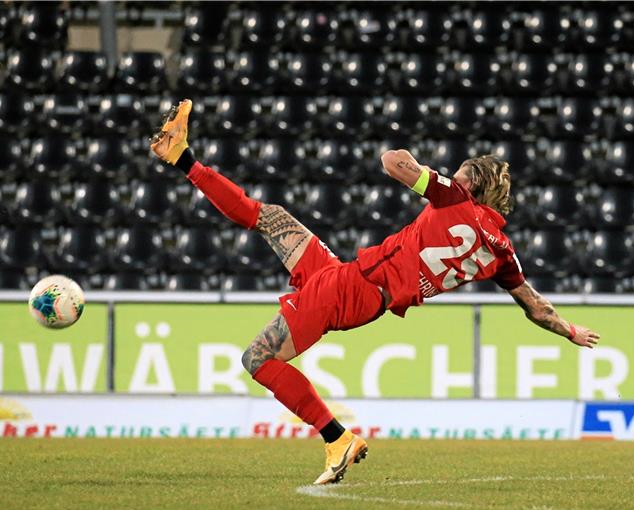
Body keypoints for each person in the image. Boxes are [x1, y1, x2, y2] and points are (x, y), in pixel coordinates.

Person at [149, 99, 601, 485]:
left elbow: (392, 161)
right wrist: (571, 331)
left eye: (461, 172)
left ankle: (337, 439)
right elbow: (535, 307)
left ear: (472, 185)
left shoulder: (454, 197)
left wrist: (429, 175)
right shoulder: (502, 253)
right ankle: (183, 157)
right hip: (358, 284)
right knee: (270, 216)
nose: (454, 175)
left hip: (355, 287)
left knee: (258, 359)